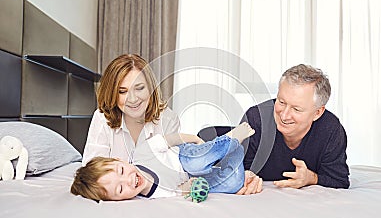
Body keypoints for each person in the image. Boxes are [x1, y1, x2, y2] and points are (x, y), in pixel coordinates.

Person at [82, 53, 262, 194]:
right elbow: (92, 173)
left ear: (151, 88)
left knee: (197, 165)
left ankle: (230, 142)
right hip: (169, 184)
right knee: (230, 182)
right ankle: (232, 157)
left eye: (140, 88)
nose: (133, 99)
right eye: (122, 91)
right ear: (113, 93)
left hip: (183, 167)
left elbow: (178, 167)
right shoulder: (102, 119)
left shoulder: (167, 119)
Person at [71, 123, 257, 201]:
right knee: (233, 184)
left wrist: (193, 138)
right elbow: (182, 190)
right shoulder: (156, 197)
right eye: (120, 189)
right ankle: (236, 149)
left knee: (196, 163)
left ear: (119, 159)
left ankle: (230, 138)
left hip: (185, 156)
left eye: (121, 171)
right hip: (192, 176)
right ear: (115, 200)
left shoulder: (142, 153)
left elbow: (170, 139)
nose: (128, 180)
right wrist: (191, 189)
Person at [241, 64, 350, 189]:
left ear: (317, 113)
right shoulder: (256, 118)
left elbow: (339, 181)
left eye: (296, 109)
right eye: (281, 102)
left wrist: (312, 178)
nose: (284, 115)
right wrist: (243, 176)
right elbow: (233, 169)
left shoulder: (330, 129)